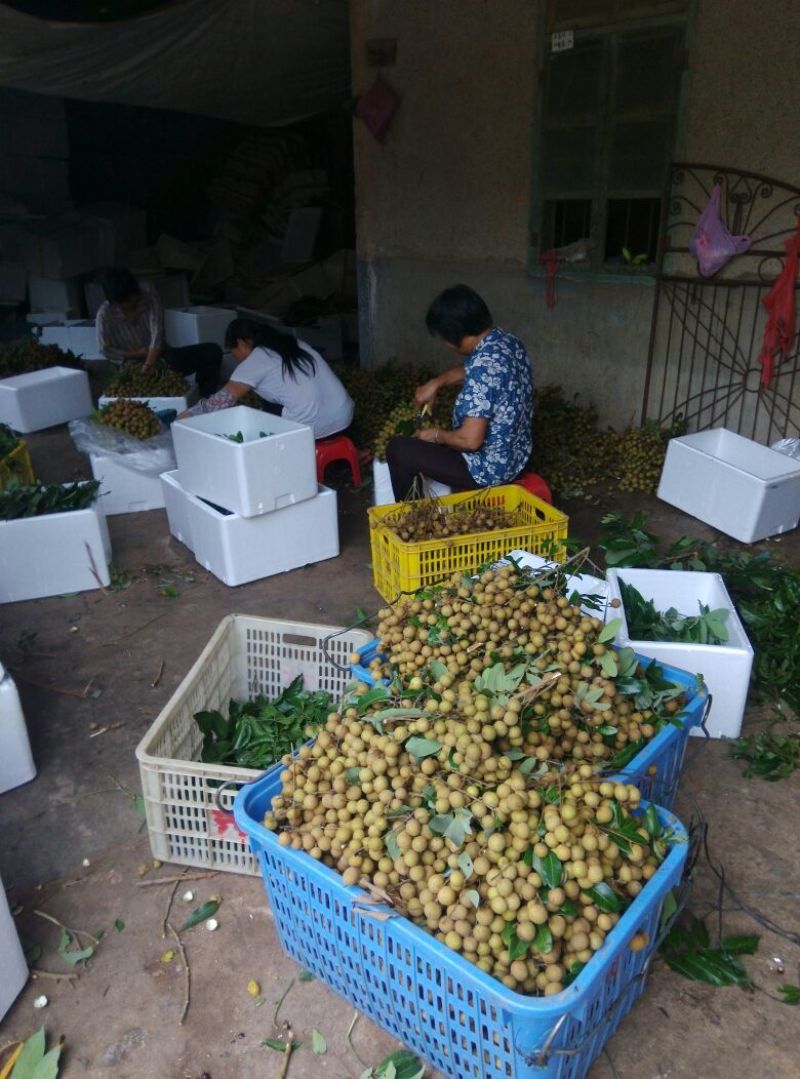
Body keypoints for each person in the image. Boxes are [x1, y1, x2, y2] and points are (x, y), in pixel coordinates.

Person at [386, 284, 533, 500]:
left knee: (399, 450)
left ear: (456, 336)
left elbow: (470, 441)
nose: (446, 345)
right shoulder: (504, 341)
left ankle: (414, 520)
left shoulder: (483, 369)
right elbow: (473, 368)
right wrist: (436, 382)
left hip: (489, 469)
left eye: (445, 339)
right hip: (518, 454)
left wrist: (436, 435)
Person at [178, 317, 354, 438]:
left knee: (253, 427)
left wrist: (186, 416)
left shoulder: (256, 360)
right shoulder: (294, 344)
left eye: (234, 352)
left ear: (240, 343)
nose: (237, 358)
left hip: (312, 428)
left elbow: (220, 402)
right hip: (345, 417)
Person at [96, 268, 223, 397]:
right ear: (116, 301)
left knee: (212, 351)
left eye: (133, 297)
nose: (132, 301)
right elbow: (105, 349)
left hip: (161, 358)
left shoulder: (148, 293)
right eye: (126, 301)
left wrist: (149, 362)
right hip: (131, 369)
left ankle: (206, 399)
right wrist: (137, 354)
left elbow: (157, 330)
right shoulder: (105, 314)